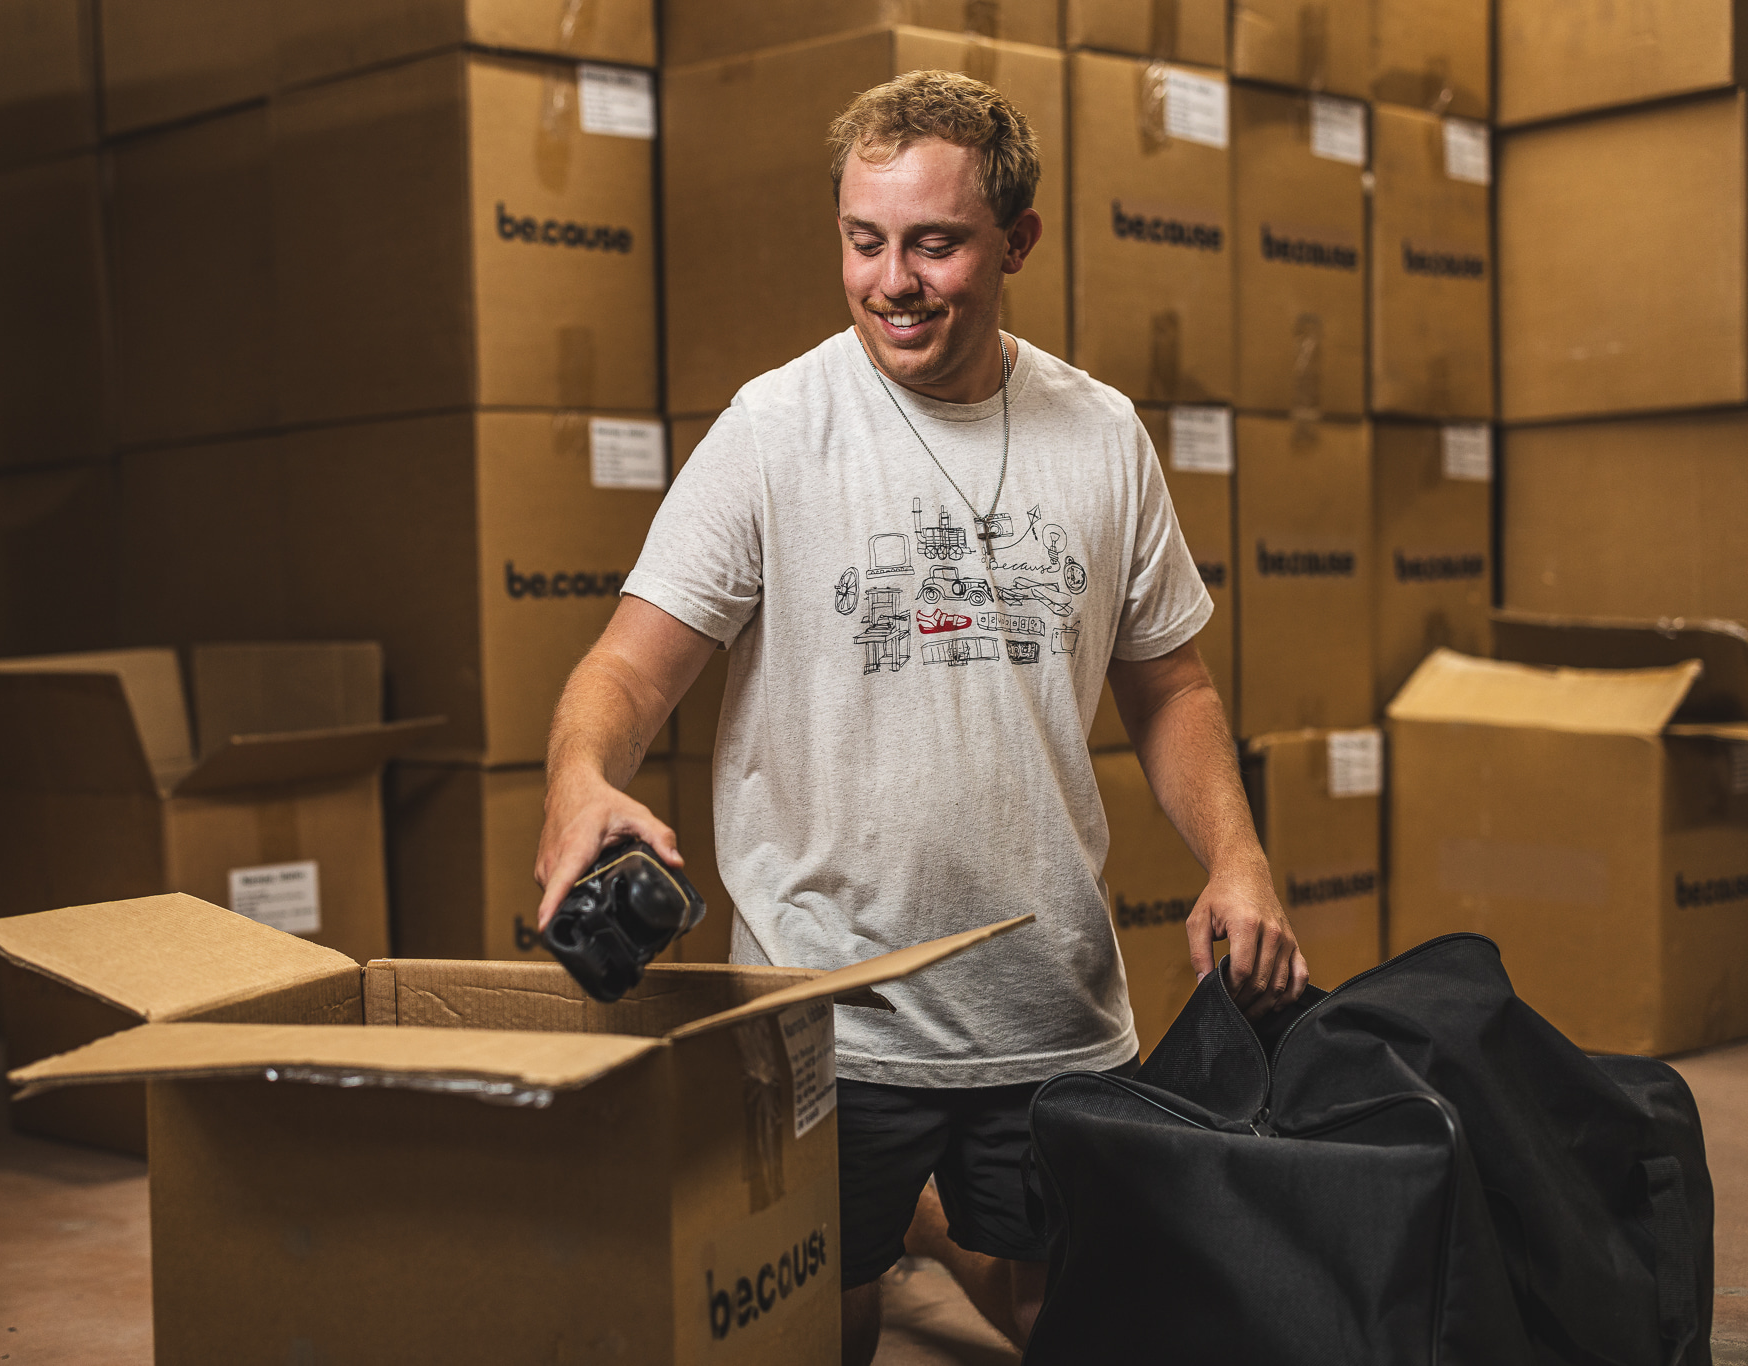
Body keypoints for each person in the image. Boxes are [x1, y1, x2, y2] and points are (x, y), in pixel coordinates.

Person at [533, 69, 1307, 1364]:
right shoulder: (776, 432)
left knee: (1072, 1323)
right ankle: (913, 1230)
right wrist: (579, 777)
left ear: (1018, 240)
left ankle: (943, 1228)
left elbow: (1170, 682)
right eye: (864, 239)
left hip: (1053, 1007)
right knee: (811, 1333)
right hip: (827, 1015)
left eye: (935, 243)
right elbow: (623, 669)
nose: (894, 279)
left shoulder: (1103, 435)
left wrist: (1238, 853)